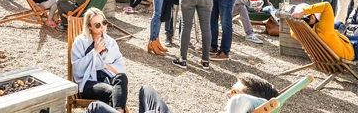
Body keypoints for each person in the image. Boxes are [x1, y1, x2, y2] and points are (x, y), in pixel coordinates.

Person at [86, 73, 278, 113]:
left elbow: (243, 101)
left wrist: (262, 102)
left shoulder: (240, 106)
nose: (228, 95)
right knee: (147, 90)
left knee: (95, 107)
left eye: (234, 92)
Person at [290, 1, 358, 83]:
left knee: (338, 24)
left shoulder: (297, 33)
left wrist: (296, 16)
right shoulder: (323, 29)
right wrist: (304, 11)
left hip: (330, 53)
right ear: (312, 17)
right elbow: (326, 5)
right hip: (351, 51)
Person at [72, 8, 128, 112]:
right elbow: (77, 70)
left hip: (107, 78)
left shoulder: (111, 42)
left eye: (104, 22)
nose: (102, 27)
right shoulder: (80, 42)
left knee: (122, 78)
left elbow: (121, 69)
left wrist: (104, 65)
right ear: (89, 27)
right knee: (114, 93)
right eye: (97, 25)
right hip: (89, 82)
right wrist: (95, 52)